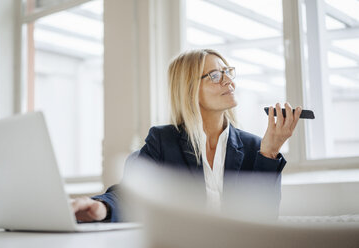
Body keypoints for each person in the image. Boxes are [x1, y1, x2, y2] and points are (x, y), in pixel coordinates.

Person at [71, 49, 301, 222]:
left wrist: (270, 152)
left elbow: (264, 219)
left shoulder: (256, 147)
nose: (229, 81)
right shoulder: (163, 141)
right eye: (214, 75)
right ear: (189, 88)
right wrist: (102, 207)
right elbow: (131, 194)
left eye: (228, 73)